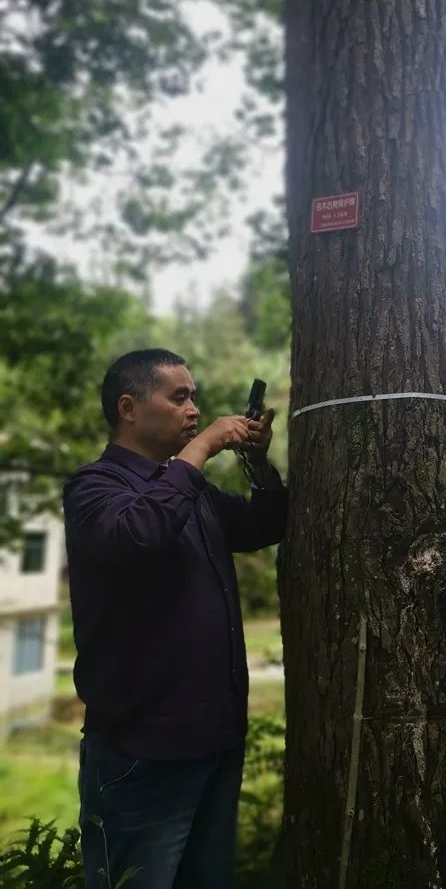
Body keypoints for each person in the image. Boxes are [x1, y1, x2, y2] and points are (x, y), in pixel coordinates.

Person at [63, 349, 287, 889]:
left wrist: (258, 464)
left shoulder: (192, 491)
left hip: (215, 742)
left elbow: (265, 525)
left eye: (195, 398)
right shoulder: (94, 488)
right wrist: (203, 446)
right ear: (128, 408)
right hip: (143, 751)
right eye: (179, 397)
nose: (194, 409)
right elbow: (141, 536)